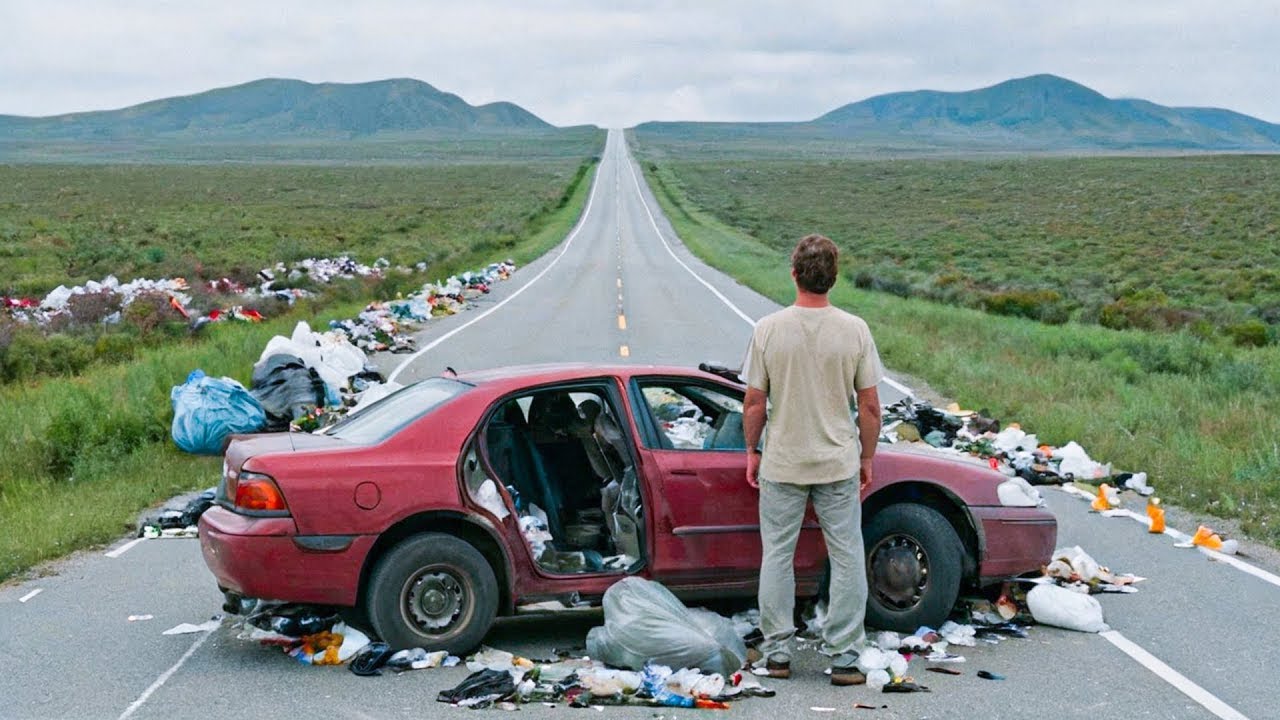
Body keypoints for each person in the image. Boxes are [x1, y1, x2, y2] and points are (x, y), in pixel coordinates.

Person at [742, 233, 884, 686]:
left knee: (777, 556)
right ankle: (844, 656)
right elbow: (870, 407)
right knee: (847, 556)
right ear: (834, 278)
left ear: (794, 274)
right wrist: (867, 457)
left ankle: (777, 653)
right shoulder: (855, 330)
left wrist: (751, 451)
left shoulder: (768, 329)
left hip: (782, 462)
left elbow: (754, 404)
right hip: (837, 463)